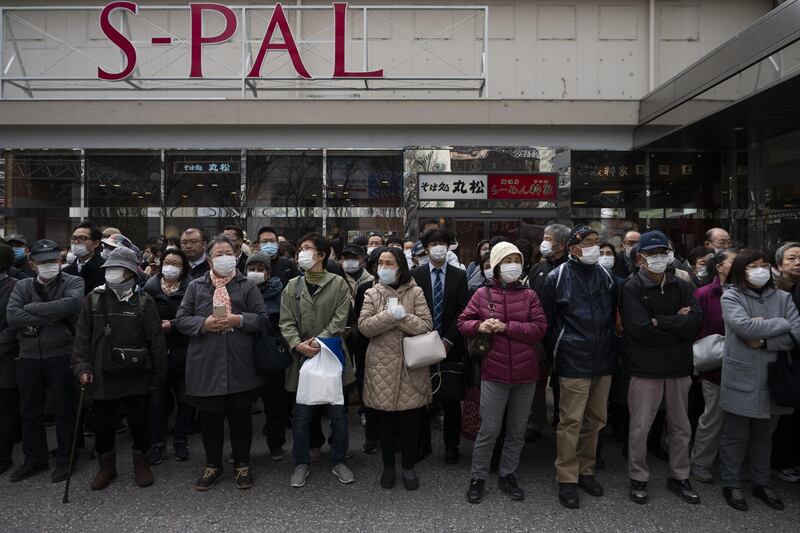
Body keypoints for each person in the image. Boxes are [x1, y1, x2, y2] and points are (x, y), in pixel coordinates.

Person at [175, 236, 267, 491]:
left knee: (241, 419)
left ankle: (242, 464)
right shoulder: (195, 286)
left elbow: (262, 319)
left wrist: (239, 320)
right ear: (209, 258)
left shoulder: (247, 285)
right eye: (219, 253)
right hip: (206, 362)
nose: (225, 257)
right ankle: (212, 464)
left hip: (240, 362)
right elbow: (181, 319)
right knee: (210, 420)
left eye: (229, 252)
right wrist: (203, 324)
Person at [458, 242, 548, 504]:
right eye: (507, 260)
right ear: (496, 265)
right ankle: (478, 477)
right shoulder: (481, 295)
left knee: (517, 430)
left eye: (516, 259)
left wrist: (506, 327)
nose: (513, 265)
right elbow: (463, 323)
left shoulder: (530, 295)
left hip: (525, 374)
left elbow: (540, 328)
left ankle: (508, 474)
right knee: (489, 429)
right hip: (493, 373)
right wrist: (480, 325)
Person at [71, 247, 167, 490]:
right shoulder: (94, 298)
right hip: (102, 373)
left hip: (137, 373)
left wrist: (157, 376)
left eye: (118, 269)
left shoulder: (144, 301)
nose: (112, 273)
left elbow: (156, 340)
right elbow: (81, 337)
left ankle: (141, 462)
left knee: (139, 421)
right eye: (109, 269)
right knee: (103, 424)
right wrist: (82, 366)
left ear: (131, 273)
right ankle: (107, 466)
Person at [619, 230, 703, 505]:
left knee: (681, 426)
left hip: (678, 366)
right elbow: (640, 330)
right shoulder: (632, 287)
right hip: (645, 368)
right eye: (653, 253)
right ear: (640, 258)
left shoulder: (682, 285)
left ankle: (680, 476)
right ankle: (638, 477)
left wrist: (660, 321)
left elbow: (694, 323)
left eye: (663, 252)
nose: (660, 258)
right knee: (640, 427)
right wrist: (673, 322)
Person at [539, 225, 616, 509]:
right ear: (573, 247)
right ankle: (567, 478)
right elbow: (546, 321)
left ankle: (586, 470)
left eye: (597, 242)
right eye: (589, 243)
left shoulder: (606, 275)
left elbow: (613, 314)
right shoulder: (556, 277)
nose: (595, 247)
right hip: (572, 357)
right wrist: (557, 352)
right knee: (570, 421)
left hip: (604, 357)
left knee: (596, 419)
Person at [718, 249, 800, 511]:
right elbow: (744, 327)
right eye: (753, 266)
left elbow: (796, 331)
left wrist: (765, 338)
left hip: (775, 377)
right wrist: (782, 324)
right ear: (741, 270)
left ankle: (761, 483)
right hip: (742, 376)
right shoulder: (731, 296)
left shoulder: (784, 297)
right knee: (736, 434)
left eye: (764, 265)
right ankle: (731, 484)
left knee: (765, 435)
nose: (760, 270)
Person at [280, 233, 355, 488]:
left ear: (321, 255)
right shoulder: (292, 286)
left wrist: (317, 341)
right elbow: (286, 321)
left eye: (308, 249)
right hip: (302, 357)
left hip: (331, 353)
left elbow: (340, 318)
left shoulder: (338, 283)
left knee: (338, 413)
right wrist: (297, 344)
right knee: (302, 414)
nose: (302, 253)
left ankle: (339, 459)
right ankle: (301, 462)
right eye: (300, 248)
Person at [7, 240, 84, 483]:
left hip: (62, 353)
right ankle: (34, 459)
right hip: (28, 356)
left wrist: (32, 309)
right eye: (43, 262)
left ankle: (66, 458)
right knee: (29, 411)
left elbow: (71, 305)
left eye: (54, 261)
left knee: (63, 409)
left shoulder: (73, 281)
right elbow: (13, 317)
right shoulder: (22, 285)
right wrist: (50, 313)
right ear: (32, 264)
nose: (50, 265)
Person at [358, 246, 432, 490]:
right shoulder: (372, 292)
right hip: (381, 367)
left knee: (411, 422)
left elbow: (425, 326)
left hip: (412, 366)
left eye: (390, 263)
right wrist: (391, 316)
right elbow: (365, 327)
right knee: (385, 423)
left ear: (400, 266)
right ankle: (388, 466)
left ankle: (408, 467)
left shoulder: (416, 291)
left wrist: (403, 317)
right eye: (381, 263)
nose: (384, 268)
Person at [411, 228, 468, 465]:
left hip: (450, 345)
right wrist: (426, 336)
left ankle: (451, 446)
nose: (438, 247)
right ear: (425, 248)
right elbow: (412, 308)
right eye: (433, 243)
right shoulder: (416, 274)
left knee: (451, 399)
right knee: (422, 398)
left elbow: (462, 310)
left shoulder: (459, 275)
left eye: (442, 243)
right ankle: (424, 444)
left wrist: (448, 339)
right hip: (421, 343)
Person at [690, 249, 737, 483]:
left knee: (740, 420)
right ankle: (701, 462)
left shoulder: (748, 293)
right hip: (714, 365)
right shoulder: (704, 294)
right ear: (718, 266)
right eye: (733, 261)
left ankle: (734, 464)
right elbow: (694, 328)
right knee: (713, 416)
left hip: (745, 365)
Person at [143, 248, 193, 465]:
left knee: (185, 399)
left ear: (184, 268)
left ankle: (181, 440)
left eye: (177, 263)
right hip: (157, 352)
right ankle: (158, 443)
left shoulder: (192, 286)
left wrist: (173, 326)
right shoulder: (150, 286)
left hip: (184, 350)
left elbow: (197, 318)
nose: (171, 267)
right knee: (156, 402)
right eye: (167, 262)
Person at [525, 224, 571, 443]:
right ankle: (536, 422)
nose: (543, 242)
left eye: (547, 238)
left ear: (561, 244)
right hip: (539, 336)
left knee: (564, 382)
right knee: (537, 381)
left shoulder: (572, 269)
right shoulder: (537, 269)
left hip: (564, 335)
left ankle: (563, 421)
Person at [246, 252, 288, 460]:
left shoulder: (280, 293)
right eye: (251, 269)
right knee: (243, 404)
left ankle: (275, 442)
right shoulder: (238, 291)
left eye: (260, 269)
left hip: (271, 352)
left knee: (275, 403)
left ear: (268, 273)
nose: (255, 273)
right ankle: (241, 448)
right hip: (244, 353)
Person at [770, 242, 800, 484]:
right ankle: (782, 462)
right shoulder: (774, 293)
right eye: (791, 258)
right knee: (786, 416)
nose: (797, 263)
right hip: (785, 361)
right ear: (779, 265)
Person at [0, 244, 20, 475]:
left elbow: (13, 325)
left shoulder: (14, 287)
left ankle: (4, 456)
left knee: (5, 409)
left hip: (6, 358)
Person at [63, 222, 106, 295]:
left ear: (96, 243)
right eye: (74, 238)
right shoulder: (66, 271)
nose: (76, 242)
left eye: (82, 238)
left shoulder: (104, 270)